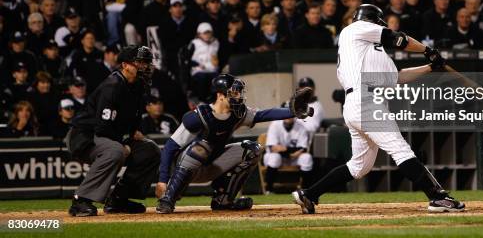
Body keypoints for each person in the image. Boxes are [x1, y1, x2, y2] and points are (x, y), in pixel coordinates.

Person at [292, 4, 464, 214]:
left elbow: (398, 77)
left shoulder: (371, 52)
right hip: (365, 100)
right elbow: (398, 39)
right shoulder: (355, 28)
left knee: (359, 166)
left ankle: (309, 194)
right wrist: (428, 50)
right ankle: (438, 197)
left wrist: (430, 67)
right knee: (400, 150)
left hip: (360, 103)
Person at [155, 74, 314, 213]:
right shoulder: (200, 116)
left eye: (238, 93)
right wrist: (163, 180)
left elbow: (262, 115)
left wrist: (292, 112)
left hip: (212, 164)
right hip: (185, 169)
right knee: (202, 147)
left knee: (253, 149)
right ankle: (168, 198)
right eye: (234, 93)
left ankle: (224, 200)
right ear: (220, 95)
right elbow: (170, 146)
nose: (238, 97)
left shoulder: (239, 114)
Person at [66, 46, 160, 216]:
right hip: (84, 136)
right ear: (125, 65)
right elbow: (103, 127)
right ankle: (80, 201)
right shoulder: (112, 86)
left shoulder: (138, 85)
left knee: (150, 150)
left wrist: (132, 135)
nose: (144, 66)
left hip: (111, 134)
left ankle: (119, 200)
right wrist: (125, 145)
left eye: (146, 63)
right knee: (115, 151)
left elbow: (132, 120)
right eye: (139, 62)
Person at [264, 116, 313, 194]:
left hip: (294, 158)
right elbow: (273, 148)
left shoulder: (301, 126)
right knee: (275, 157)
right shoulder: (275, 124)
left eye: (290, 114)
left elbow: (303, 148)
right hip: (276, 157)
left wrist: (285, 149)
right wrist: (291, 151)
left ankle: (305, 191)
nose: (288, 116)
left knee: (307, 158)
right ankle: (269, 190)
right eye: (285, 113)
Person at [189, 22, 220, 100]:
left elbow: (216, 56)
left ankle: (214, 99)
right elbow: (187, 58)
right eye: (204, 33)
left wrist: (216, 63)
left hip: (212, 69)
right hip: (198, 69)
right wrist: (196, 64)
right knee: (202, 78)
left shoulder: (216, 43)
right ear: (199, 34)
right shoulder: (194, 43)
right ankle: (201, 99)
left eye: (208, 33)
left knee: (217, 79)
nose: (207, 35)